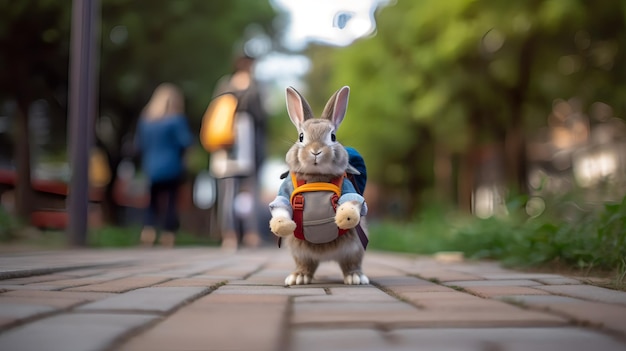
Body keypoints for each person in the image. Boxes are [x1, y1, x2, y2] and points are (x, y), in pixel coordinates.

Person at [206, 55, 267, 250]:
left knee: (249, 190)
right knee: (229, 191)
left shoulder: (253, 85)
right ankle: (230, 234)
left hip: (248, 144)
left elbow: (261, 116)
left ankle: (250, 233)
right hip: (228, 141)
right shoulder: (228, 84)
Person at [135, 83, 193, 247]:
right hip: (172, 165)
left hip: (151, 166)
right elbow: (186, 142)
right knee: (171, 201)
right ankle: (168, 235)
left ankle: (148, 232)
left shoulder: (146, 120)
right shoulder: (176, 120)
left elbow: (139, 145)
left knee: (152, 200)